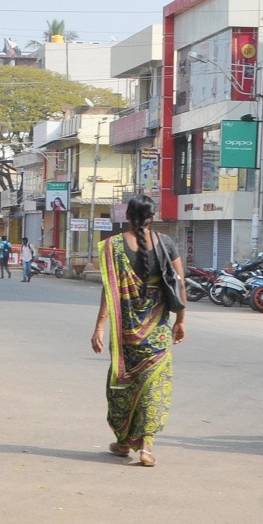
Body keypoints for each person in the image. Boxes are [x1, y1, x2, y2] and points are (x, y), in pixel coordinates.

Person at [90, 196, 186, 468]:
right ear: (152, 217)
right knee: (153, 387)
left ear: (127, 215)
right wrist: (180, 320)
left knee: (125, 387)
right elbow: (180, 285)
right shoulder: (165, 244)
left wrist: (99, 326)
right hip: (157, 334)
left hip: (126, 335)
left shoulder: (113, 247)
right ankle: (145, 447)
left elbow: (108, 292)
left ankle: (123, 441)